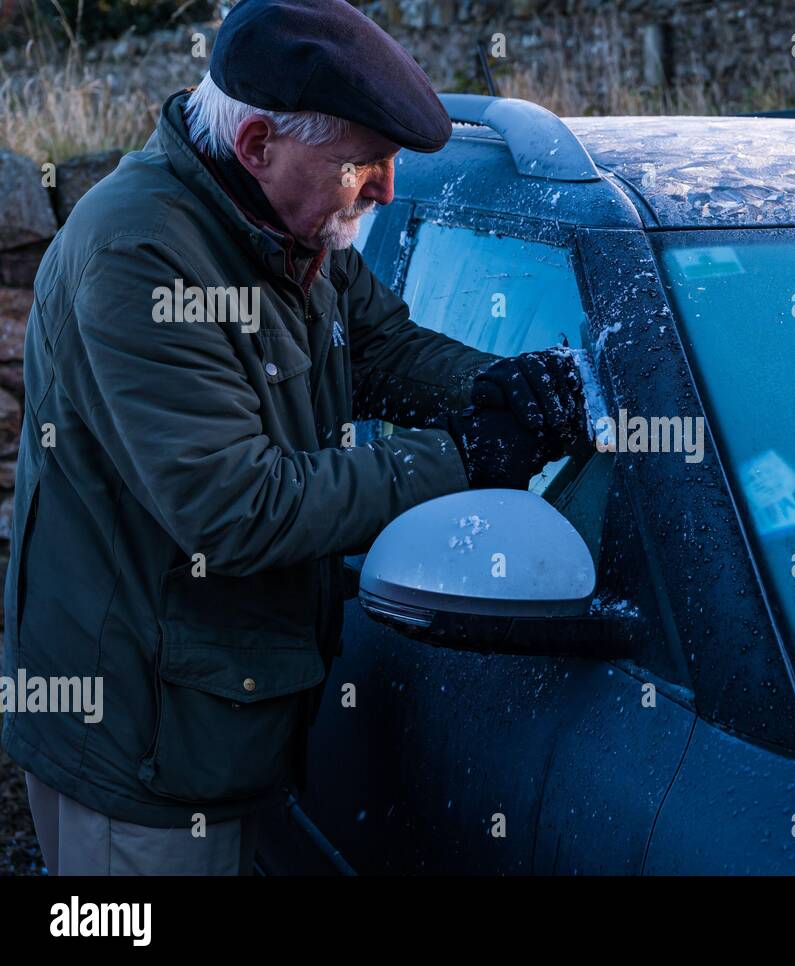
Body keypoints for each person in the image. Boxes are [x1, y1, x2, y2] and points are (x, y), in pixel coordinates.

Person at [1, 0, 588, 875]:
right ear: (257, 144)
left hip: (229, 715)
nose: (388, 189)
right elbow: (234, 506)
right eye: (366, 165)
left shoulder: (289, 217)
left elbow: (379, 346)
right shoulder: (140, 257)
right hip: (141, 754)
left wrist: (498, 389)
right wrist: (467, 459)